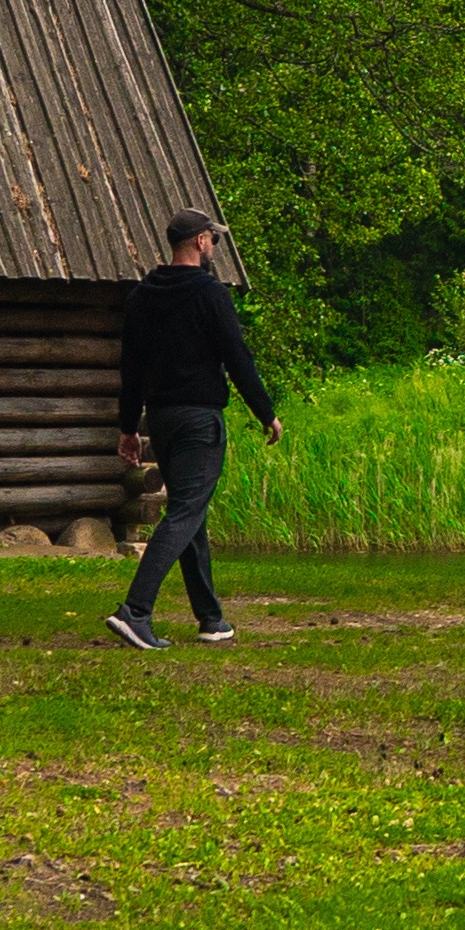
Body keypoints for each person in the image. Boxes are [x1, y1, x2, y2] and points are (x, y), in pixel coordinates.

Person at [108, 207, 280, 652]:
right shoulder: (211, 294)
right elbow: (237, 357)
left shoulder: (143, 296)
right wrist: (266, 413)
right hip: (200, 420)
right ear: (201, 241)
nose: (215, 246)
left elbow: (131, 368)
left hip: (161, 420)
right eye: (213, 239)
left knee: (191, 515)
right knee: (185, 512)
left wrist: (128, 428)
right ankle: (135, 612)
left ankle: (210, 619)